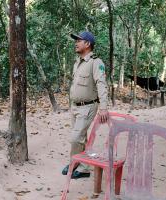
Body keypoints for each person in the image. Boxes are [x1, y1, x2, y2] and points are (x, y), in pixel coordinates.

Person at [62, 31, 109, 179]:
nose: (76, 43)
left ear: (88, 44)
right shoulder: (78, 62)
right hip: (75, 106)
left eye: (79, 41)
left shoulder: (96, 62)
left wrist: (104, 108)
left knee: (76, 137)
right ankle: (84, 167)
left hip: (88, 106)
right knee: (81, 137)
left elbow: (102, 85)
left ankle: (74, 163)